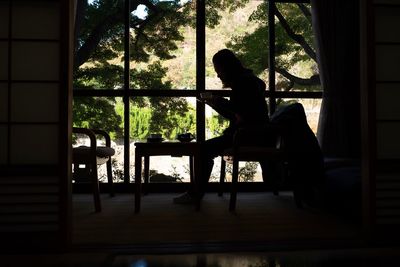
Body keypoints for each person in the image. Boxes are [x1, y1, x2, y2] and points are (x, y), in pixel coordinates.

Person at [173, 49, 269, 204]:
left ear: (227, 68)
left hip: (246, 136)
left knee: (203, 150)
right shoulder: (251, 80)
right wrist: (215, 102)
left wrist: (216, 102)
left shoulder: (242, 83)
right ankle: (195, 193)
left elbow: (237, 114)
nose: (218, 75)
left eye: (218, 70)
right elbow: (239, 111)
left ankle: (195, 193)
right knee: (205, 148)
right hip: (258, 134)